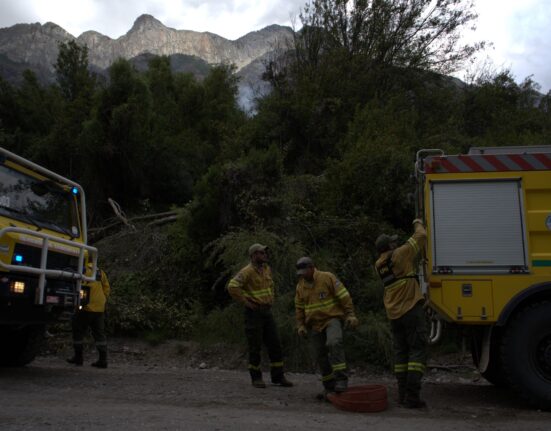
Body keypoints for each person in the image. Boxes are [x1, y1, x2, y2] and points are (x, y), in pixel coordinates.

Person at [374, 219, 428, 408]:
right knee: (417, 349)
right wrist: (417, 222)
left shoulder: (379, 264)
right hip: (410, 309)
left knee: (401, 353)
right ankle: (412, 397)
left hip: (394, 314)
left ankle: (402, 395)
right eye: (393, 242)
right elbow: (421, 236)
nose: (396, 243)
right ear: (390, 246)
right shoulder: (400, 254)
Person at [227, 243, 293, 388]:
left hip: (267, 311)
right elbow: (232, 286)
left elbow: (271, 285)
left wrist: (271, 298)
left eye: (264, 253)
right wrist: (246, 302)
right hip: (254, 312)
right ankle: (256, 378)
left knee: (275, 344)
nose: (265, 255)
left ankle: (278, 376)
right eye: (261, 253)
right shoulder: (247, 271)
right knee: (255, 345)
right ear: (254, 255)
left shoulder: (266, 269)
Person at [294, 256, 359, 395]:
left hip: (331, 319)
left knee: (334, 343)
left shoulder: (327, 277)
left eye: (305, 272)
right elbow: (299, 308)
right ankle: (329, 385)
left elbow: (344, 296)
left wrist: (350, 314)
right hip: (314, 324)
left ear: (312, 268)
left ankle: (341, 379)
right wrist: (301, 325)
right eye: (300, 273)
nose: (303, 275)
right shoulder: (300, 287)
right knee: (320, 354)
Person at [67, 264, 111, 368]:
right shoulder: (100, 272)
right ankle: (103, 360)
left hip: (86, 307)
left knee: (78, 331)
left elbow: (79, 288)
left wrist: (78, 304)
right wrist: (103, 300)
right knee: (99, 333)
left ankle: (78, 358)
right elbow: (107, 288)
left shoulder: (81, 270)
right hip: (99, 308)